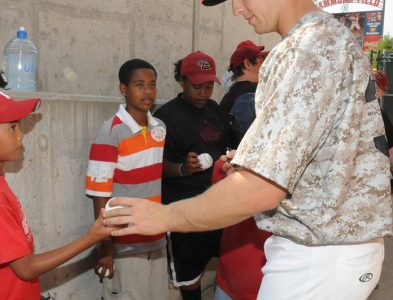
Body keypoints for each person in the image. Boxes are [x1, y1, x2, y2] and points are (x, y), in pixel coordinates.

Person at [104, 1, 393, 299]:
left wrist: (162, 217)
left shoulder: (307, 47)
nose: (236, 10)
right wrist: (248, 166)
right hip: (333, 252)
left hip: (316, 259)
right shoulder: (332, 38)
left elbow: (261, 188)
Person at [0, 88, 114, 300]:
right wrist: (90, 239)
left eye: (19, 126)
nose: (20, 136)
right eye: (12, 128)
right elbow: (25, 268)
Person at [85, 58, 169, 300]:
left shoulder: (159, 127)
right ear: (124, 89)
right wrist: (106, 245)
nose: (147, 92)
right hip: (126, 242)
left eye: (152, 85)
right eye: (139, 85)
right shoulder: (112, 131)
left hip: (157, 235)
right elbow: (99, 193)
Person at [153, 51, 229, 300]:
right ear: (182, 80)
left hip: (217, 204)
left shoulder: (214, 109)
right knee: (189, 274)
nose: (204, 93)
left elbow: (221, 148)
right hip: (183, 209)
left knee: (229, 259)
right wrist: (183, 168)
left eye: (209, 86)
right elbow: (153, 164)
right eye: (197, 86)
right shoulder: (164, 118)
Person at [214, 40, 271, 300]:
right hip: (250, 182)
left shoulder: (230, 96)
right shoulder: (250, 97)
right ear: (246, 64)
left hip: (232, 180)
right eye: (260, 60)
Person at [219, 40, 268, 148]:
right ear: (247, 64)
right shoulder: (254, 92)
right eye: (261, 62)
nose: (266, 66)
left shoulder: (227, 97)